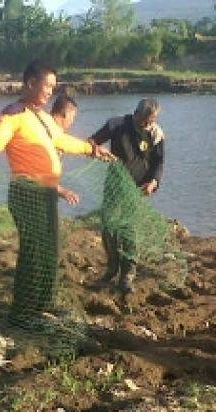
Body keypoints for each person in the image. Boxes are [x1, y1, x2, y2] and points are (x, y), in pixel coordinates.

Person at [0, 60, 113, 325]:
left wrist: (93, 149)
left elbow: (62, 141)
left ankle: (43, 303)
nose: (50, 93)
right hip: (26, 193)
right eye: (47, 87)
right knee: (33, 252)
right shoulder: (14, 114)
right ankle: (23, 312)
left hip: (45, 194)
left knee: (50, 250)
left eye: (53, 88)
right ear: (31, 83)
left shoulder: (42, 117)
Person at [88, 98, 165, 293]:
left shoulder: (156, 134)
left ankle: (127, 276)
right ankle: (112, 268)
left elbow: (159, 162)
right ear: (136, 113)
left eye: (152, 120)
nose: (148, 124)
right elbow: (92, 141)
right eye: (145, 120)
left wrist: (153, 183)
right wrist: (97, 149)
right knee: (108, 227)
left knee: (129, 230)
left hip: (138, 189)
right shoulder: (117, 124)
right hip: (115, 185)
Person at [51, 93, 80, 206]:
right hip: (33, 197)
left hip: (45, 193)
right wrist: (62, 191)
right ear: (65, 114)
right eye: (73, 117)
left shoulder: (54, 132)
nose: (72, 121)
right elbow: (38, 173)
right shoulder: (48, 135)